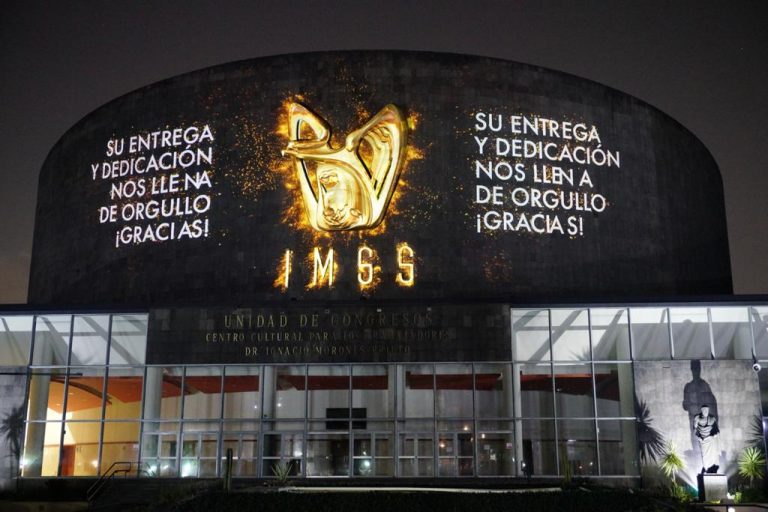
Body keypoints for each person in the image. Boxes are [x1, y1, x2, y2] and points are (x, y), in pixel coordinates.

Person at [693, 404, 720, 474]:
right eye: (704, 410)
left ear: (708, 410)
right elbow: (695, 430)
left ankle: (712, 469)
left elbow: (716, 429)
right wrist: (698, 437)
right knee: (704, 456)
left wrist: (715, 434)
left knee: (712, 455)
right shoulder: (697, 418)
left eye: (707, 410)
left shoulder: (712, 418)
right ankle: (706, 467)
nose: (705, 411)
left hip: (711, 440)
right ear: (701, 410)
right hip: (703, 440)